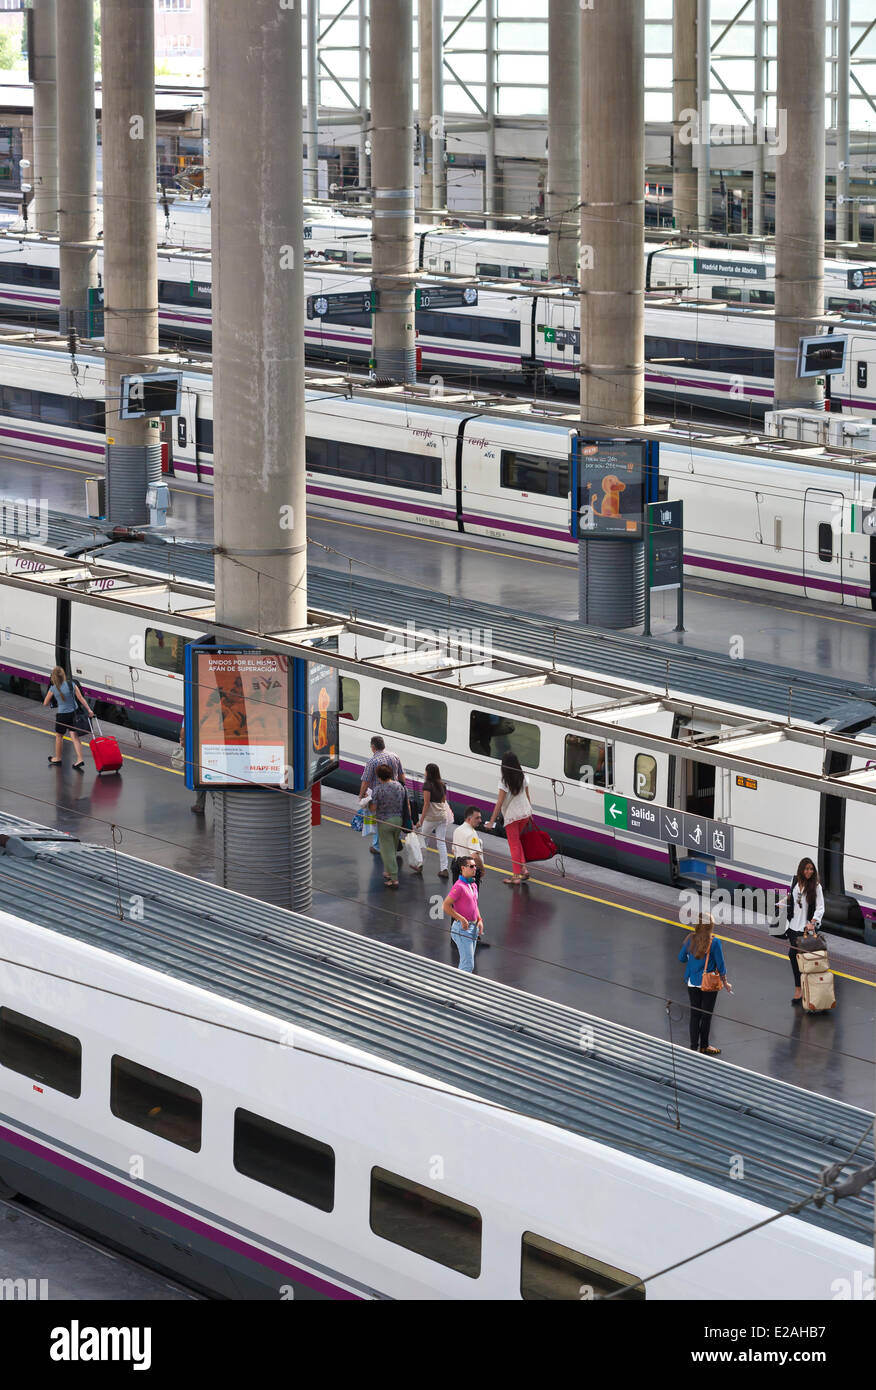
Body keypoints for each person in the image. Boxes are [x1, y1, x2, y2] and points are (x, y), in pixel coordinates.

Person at [678, 915, 732, 1056]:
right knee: (706, 1016)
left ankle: (693, 1046)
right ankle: (704, 1046)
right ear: (710, 927)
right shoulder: (714, 942)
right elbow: (720, 965)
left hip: (692, 983)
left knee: (695, 1015)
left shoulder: (690, 939)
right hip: (708, 984)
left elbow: (681, 958)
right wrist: (725, 981)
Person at [485, 752, 533, 886]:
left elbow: (499, 803)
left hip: (512, 816)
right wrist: (530, 814)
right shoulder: (524, 777)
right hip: (525, 813)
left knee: (514, 845)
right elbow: (528, 796)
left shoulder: (504, 781)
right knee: (517, 842)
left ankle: (516, 876)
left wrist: (491, 821)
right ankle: (523, 869)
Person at [784, 857, 825, 1006]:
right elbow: (791, 899)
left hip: (805, 928)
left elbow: (820, 907)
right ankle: (802, 989)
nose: (809, 871)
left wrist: (813, 922)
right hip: (792, 926)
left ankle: (801, 989)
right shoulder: (794, 881)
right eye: (806, 869)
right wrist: (783, 903)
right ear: (801, 869)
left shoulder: (816, 886)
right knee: (797, 958)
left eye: (811, 869)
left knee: (795, 956)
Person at [450, 807, 491, 948]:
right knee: (471, 902)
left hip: (457, 866)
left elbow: (453, 849)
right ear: (469, 818)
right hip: (469, 870)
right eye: (477, 818)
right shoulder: (472, 834)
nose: (480, 820)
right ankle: (471, 937)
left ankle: (455, 934)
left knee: (456, 901)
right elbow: (474, 855)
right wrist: (481, 869)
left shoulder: (457, 830)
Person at [359, 736, 405, 855]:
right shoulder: (394, 756)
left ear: (373, 747)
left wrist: (360, 796)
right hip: (395, 792)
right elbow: (401, 775)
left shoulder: (372, 762)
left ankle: (377, 846)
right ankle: (395, 840)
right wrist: (402, 789)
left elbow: (365, 781)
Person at [42, 665, 93, 770]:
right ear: (63, 675)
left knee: (59, 736)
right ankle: (80, 759)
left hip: (62, 716)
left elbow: (45, 703)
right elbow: (81, 699)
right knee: (75, 737)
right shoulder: (71, 684)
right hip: (74, 714)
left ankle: (58, 758)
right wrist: (89, 710)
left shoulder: (53, 688)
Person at [443, 857, 484, 972]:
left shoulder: (473, 885)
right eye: (471, 866)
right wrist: (461, 919)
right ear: (463, 868)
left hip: (473, 928)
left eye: (475, 866)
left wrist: (479, 919)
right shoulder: (459, 886)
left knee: (467, 963)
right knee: (467, 965)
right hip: (462, 929)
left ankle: (458, 986)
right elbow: (446, 905)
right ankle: (457, 988)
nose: (474, 868)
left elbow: (474, 905)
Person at [369, 764, 406, 888]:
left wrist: (367, 802)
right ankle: (389, 872)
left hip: (385, 822)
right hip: (398, 820)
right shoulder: (399, 786)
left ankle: (394, 879)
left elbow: (373, 808)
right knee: (393, 848)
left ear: (379, 777)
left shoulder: (378, 789)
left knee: (386, 851)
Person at [414, 762, 452, 879]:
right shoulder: (442, 785)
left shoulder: (427, 785)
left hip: (432, 817)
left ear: (428, 773)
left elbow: (426, 804)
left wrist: (421, 820)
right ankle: (444, 869)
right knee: (441, 842)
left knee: (421, 838)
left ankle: (419, 865)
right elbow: (443, 801)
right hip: (442, 816)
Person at [179, 721, 208, 816]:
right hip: (208, 748)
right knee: (206, 776)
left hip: (196, 750)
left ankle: (201, 805)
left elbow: (183, 730)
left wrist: (182, 740)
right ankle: (216, 804)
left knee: (201, 777)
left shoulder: (191, 709)